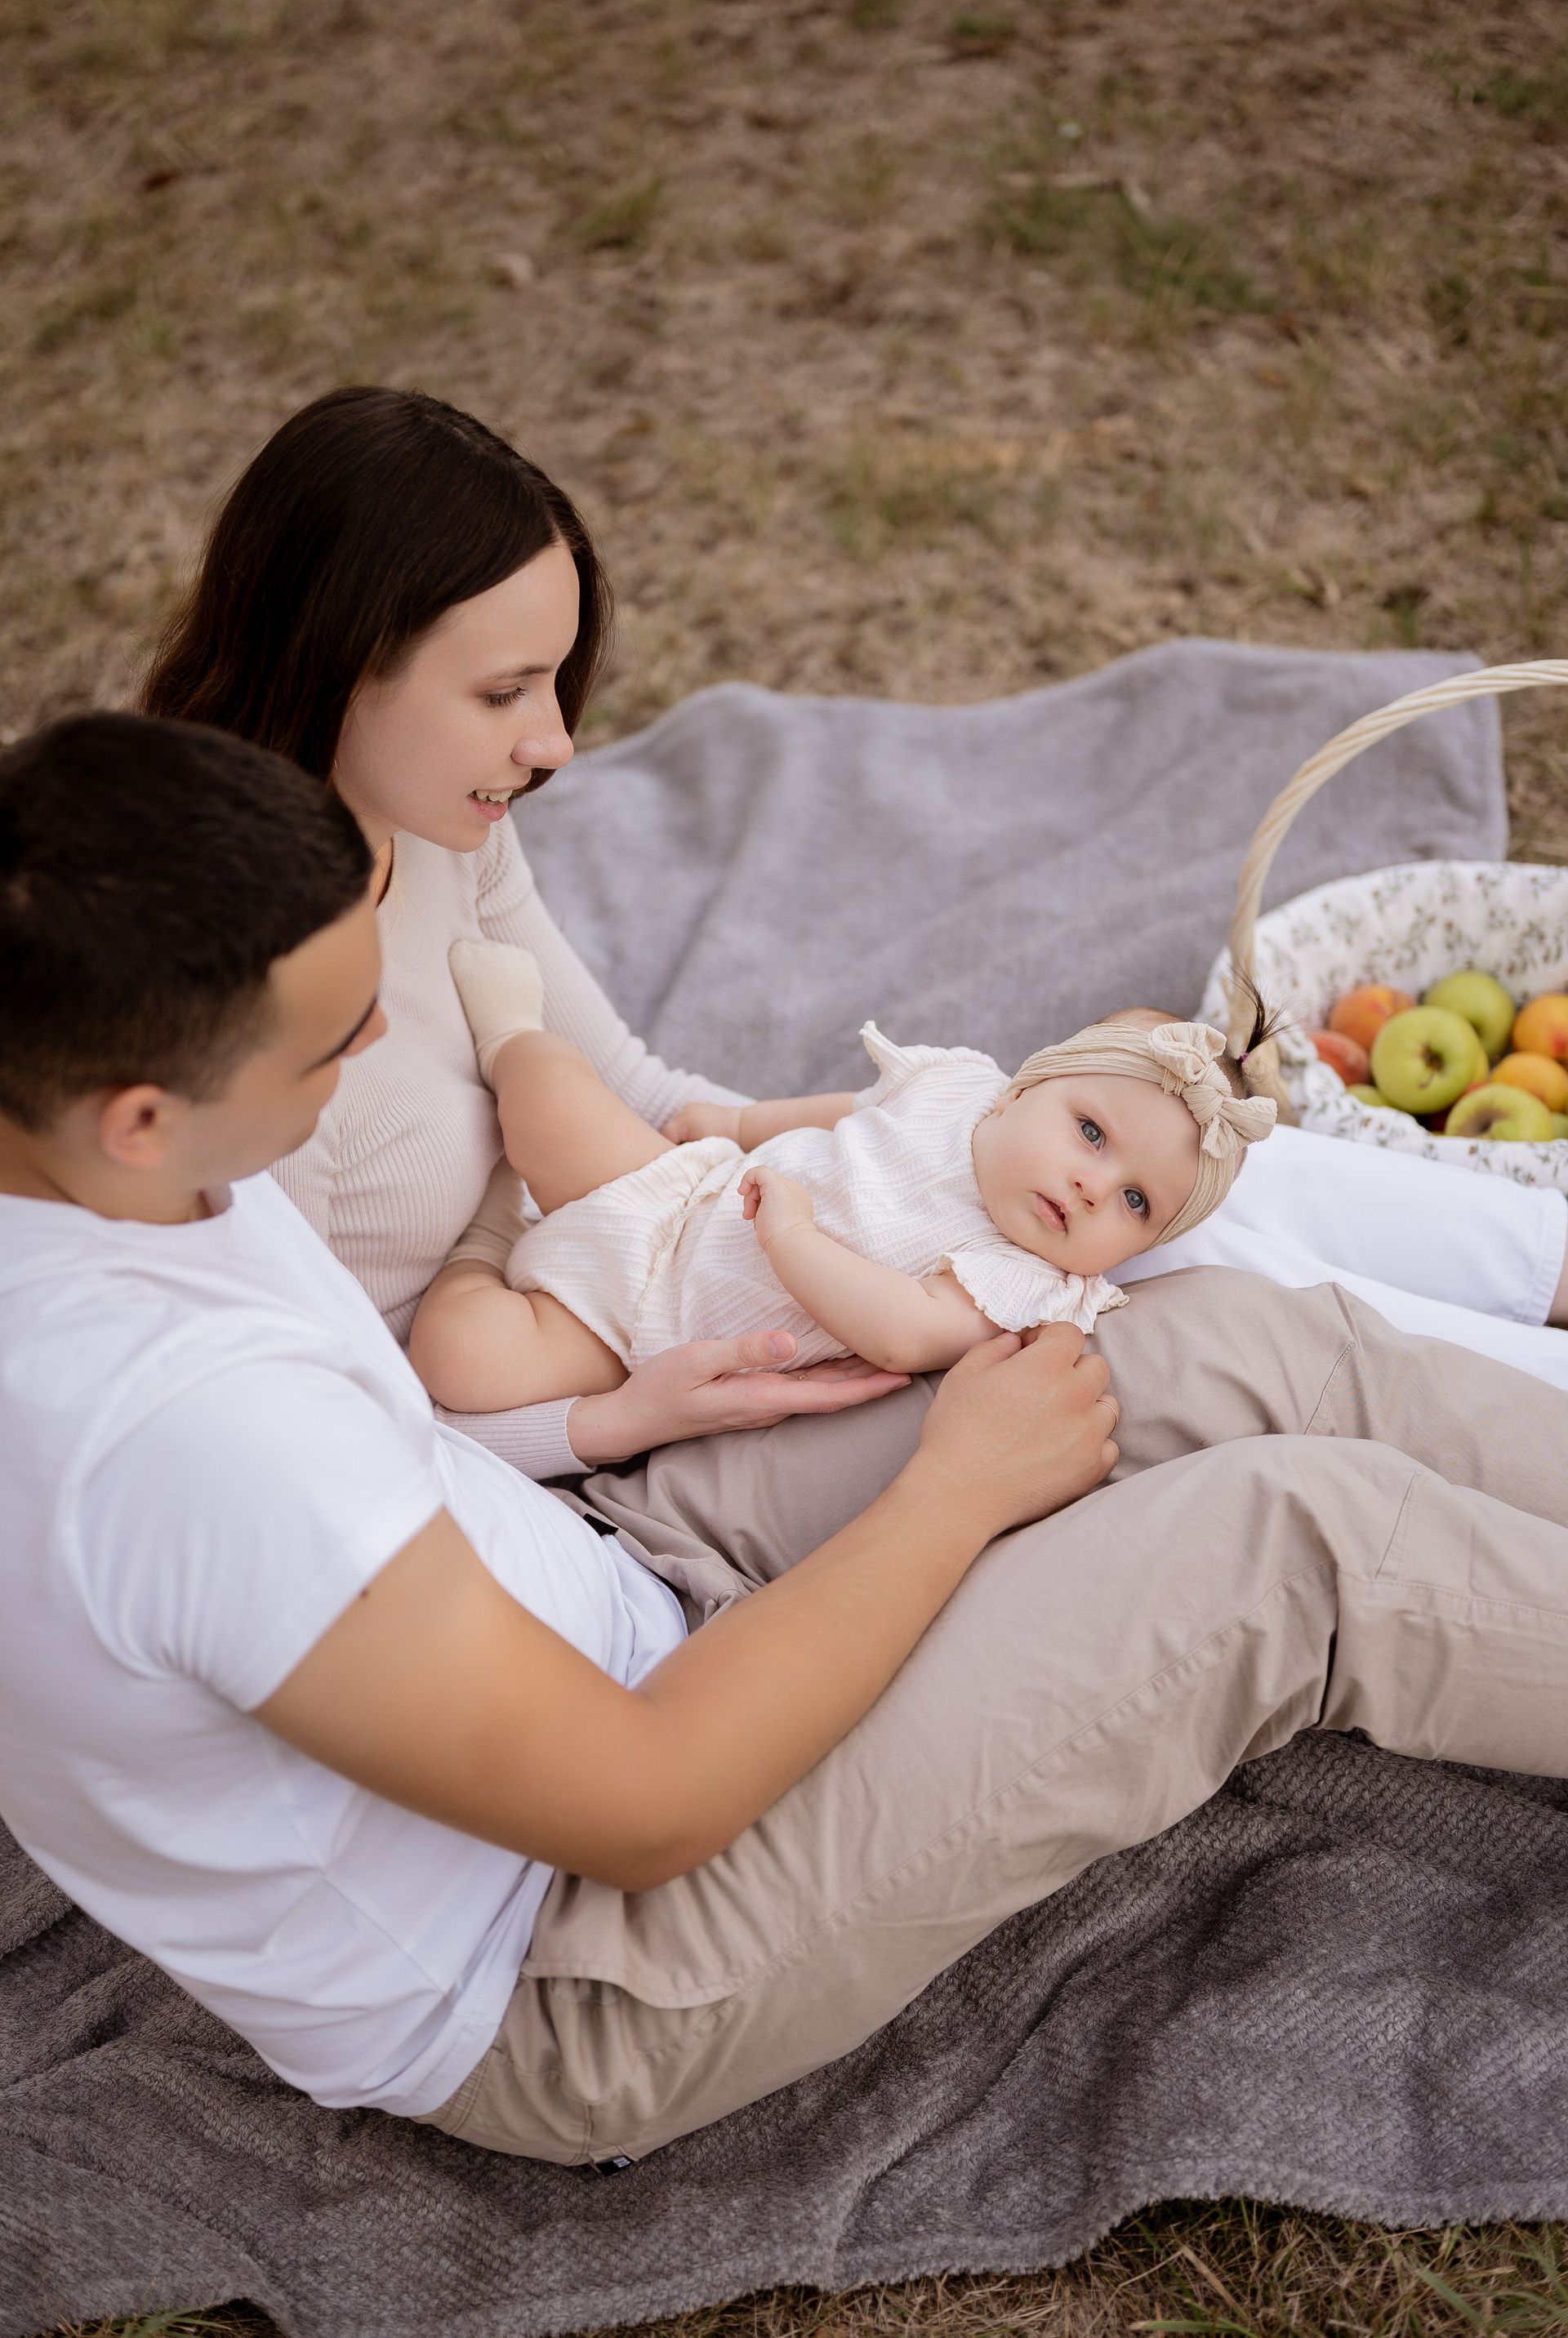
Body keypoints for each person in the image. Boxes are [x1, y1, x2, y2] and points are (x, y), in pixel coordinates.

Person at [4, 710, 1568, 2171]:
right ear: (143, 1116)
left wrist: (620, 1384)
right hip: (575, 1947)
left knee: (1225, 1339)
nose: (372, 1059)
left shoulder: (99, 1159)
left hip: (624, 1554)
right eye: (334, 1045)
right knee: (1287, 1545)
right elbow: (644, 1801)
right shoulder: (172, 1444)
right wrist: (953, 1494)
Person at [140, 385, 1568, 1466]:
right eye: (505, 693)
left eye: (558, 685)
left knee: (1176, 1162)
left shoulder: (445, 832)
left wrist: (885, 1149)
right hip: (578, 1413)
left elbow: (641, 1093)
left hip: (652, 1246)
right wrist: (617, 1421)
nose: (558, 744)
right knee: (1196, 1339)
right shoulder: (218, 1021)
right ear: (338, 659)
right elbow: (323, 1439)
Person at [407, 946, 1276, 1409]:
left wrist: (791, 1235)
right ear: (1026, 1086)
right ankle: (509, 1034)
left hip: (647, 1334)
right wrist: (738, 1124)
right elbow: (845, 1112)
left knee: (463, 1362)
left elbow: (903, 1332)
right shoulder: (960, 1086)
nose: (1093, 1186)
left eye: (1136, 1202)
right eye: (1091, 1133)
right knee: (554, 1092)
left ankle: (484, 1240)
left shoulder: (1018, 1281)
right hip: (678, 1193)